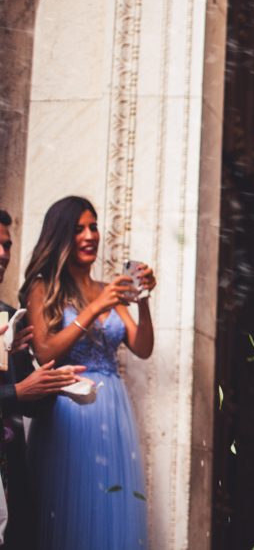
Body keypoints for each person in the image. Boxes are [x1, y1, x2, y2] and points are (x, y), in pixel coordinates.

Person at [20, 197, 156, 549]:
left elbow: (142, 347)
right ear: (61, 235)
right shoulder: (43, 287)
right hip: (69, 413)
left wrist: (141, 299)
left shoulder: (106, 288)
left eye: (93, 226)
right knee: (69, 510)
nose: (89, 235)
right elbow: (45, 350)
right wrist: (97, 307)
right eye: (79, 228)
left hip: (113, 415)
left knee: (110, 509)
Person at [0, 209, 87, 549]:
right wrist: (20, 391)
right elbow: (18, 393)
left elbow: (31, 406)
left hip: (10, 469)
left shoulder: (8, 314)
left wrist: (54, 382)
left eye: (7, 245)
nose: (4, 254)